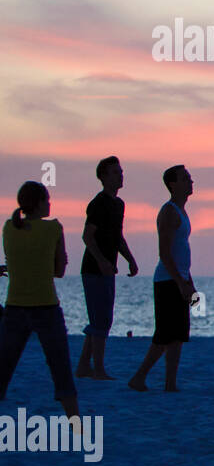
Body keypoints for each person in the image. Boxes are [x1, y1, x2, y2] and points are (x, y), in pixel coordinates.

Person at [0, 182, 82, 420]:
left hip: (15, 307)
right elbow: (59, 271)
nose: (50, 204)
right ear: (38, 203)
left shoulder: (8, 228)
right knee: (61, 371)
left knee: (3, 370)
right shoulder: (54, 228)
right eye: (47, 200)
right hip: (46, 307)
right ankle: (75, 425)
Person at [128, 166, 195, 392]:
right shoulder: (168, 212)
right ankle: (139, 376)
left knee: (177, 335)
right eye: (185, 178)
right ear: (173, 184)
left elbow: (181, 250)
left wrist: (189, 281)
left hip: (179, 279)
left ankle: (170, 382)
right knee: (165, 335)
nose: (190, 181)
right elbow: (164, 253)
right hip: (167, 281)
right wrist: (179, 282)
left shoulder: (182, 212)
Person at [74, 156, 139, 380]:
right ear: (102, 177)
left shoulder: (119, 204)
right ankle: (98, 369)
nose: (120, 175)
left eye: (120, 171)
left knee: (101, 319)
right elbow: (87, 236)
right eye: (114, 172)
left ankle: (84, 366)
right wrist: (101, 260)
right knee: (100, 320)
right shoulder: (98, 203)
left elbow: (117, 237)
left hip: (109, 269)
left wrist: (130, 258)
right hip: (93, 269)